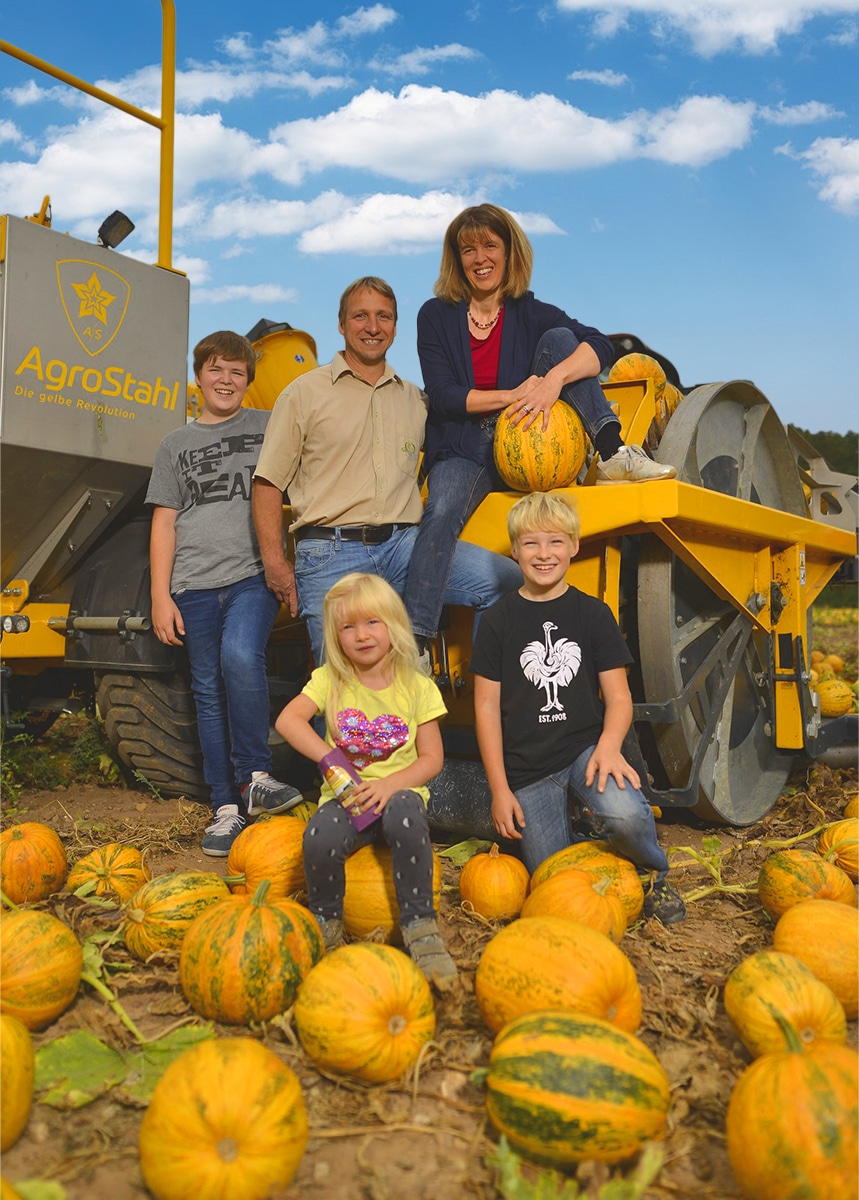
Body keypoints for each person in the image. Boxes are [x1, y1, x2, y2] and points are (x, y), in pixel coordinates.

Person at [404, 202, 676, 654]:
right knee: (442, 510)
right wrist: (515, 395)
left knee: (562, 342)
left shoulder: (529, 311)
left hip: (530, 439)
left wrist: (552, 381)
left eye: (490, 245)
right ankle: (414, 646)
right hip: (464, 446)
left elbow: (601, 346)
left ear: (510, 253)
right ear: (457, 259)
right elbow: (446, 393)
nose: (480, 257)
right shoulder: (435, 314)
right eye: (468, 249)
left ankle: (611, 452)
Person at [251, 276, 521, 667]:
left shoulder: (416, 400)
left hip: (406, 548)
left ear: (395, 326)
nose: (373, 327)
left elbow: (460, 443)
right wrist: (276, 564)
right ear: (342, 325)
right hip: (331, 554)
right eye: (361, 316)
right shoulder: (302, 394)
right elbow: (267, 483)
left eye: (384, 317)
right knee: (341, 693)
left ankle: (485, 702)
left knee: (503, 582)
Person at [471, 491, 686, 925]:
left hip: (585, 751)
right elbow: (486, 709)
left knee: (625, 816)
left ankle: (653, 875)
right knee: (556, 883)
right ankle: (586, 834)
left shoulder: (592, 614)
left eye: (555, 542)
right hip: (528, 768)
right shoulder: (497, 620)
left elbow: (620, 697)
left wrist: (609, 747)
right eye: (531, 544)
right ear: (514, 551)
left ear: (573, 546)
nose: (543, 554)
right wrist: (499, 789)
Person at [147, 330, 303, 857]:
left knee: (241, 655)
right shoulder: (175, 445)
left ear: (249, 381)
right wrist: (160, 597)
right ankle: (226, 807)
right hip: (192, 583)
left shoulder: (267, 427)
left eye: (237, 371)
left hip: (251, 575)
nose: (226, 379)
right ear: (199, 377)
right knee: (208, 691)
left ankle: (256, 776)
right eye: (216, 369)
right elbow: (164, 524)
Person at [276, 572, 457, 984]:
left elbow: (432, 759)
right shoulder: (330, 682)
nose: (361, 635)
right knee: (318, 836)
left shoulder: (418, 687)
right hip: (349, 801)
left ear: (393, 623)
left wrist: (390, 785)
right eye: (348, 626)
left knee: (408, 816)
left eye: (372, 622)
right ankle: (326, 922)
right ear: (335, 636)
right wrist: (329, 757)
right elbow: (288, 720)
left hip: (398, 797)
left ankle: (419, 925)